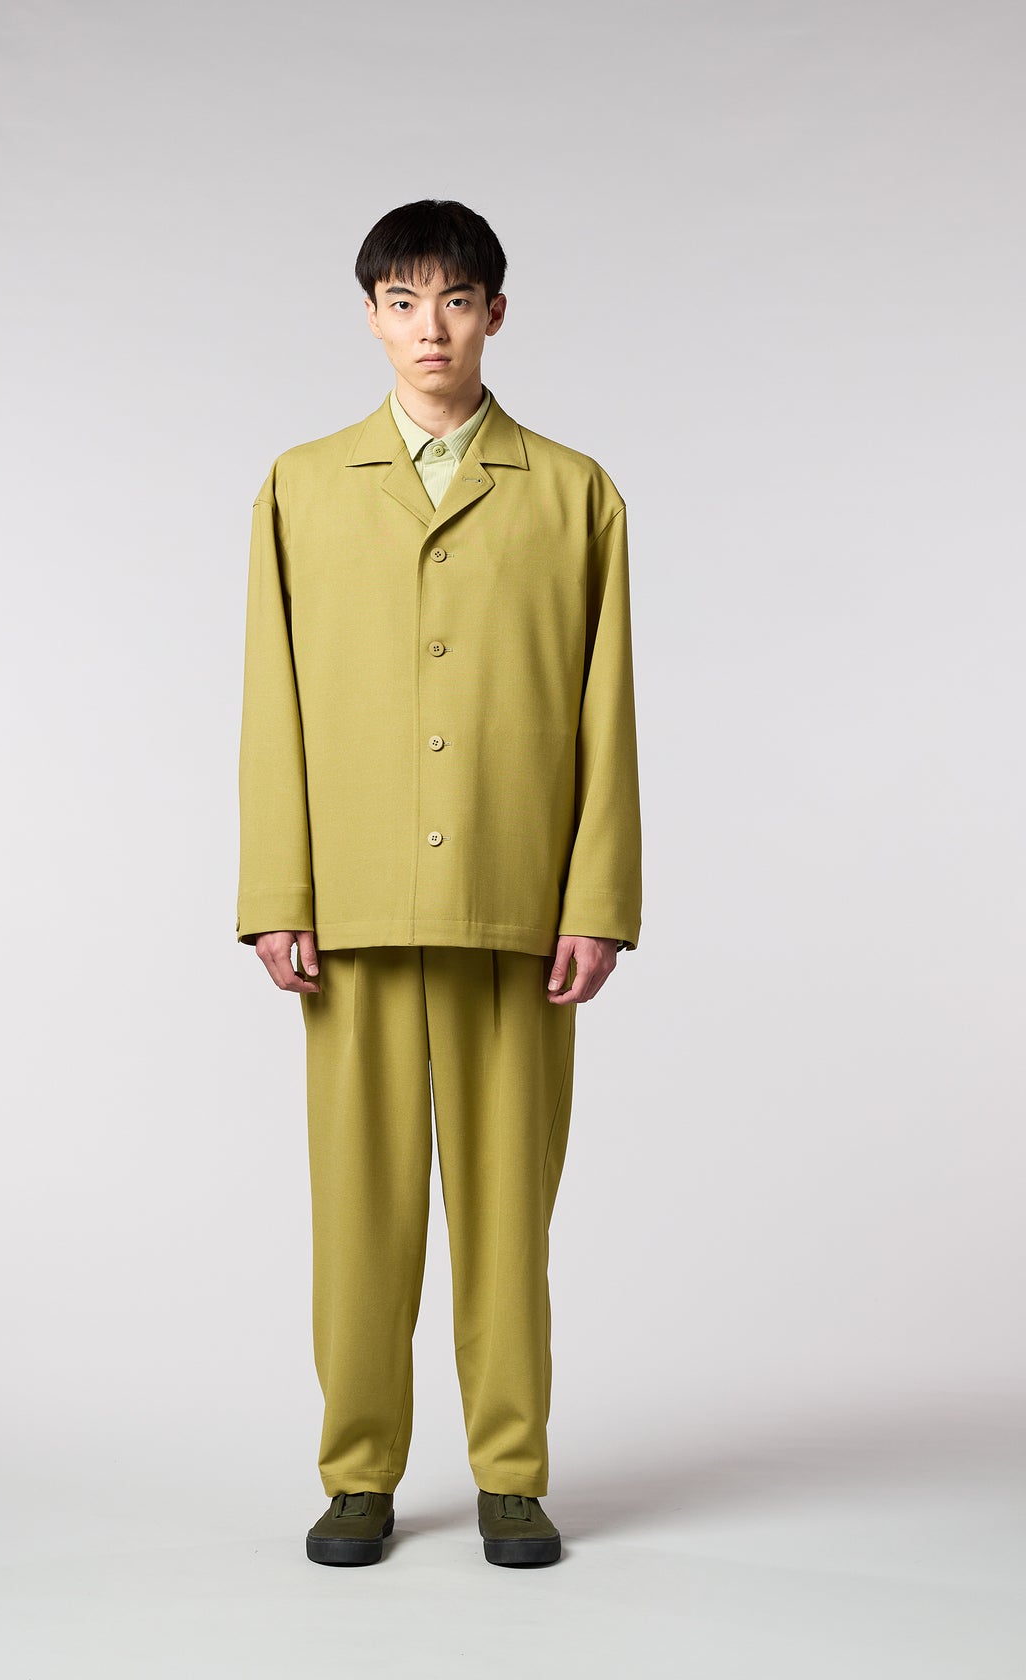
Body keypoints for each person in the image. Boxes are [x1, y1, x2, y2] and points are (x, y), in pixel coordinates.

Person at [236, 199, 642, 1567]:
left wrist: (597, 901)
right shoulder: (300, 486)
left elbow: (605, 711)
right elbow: (273, 702)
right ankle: (358, 1474)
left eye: (456, 300)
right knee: (360, 1213)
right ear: (370, 317)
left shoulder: (576, 493)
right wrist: (276, 890)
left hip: (516, 906)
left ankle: (510, 1473)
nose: (431, 328)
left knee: (508, 1211)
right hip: (350, 907)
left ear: (495, 315)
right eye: (404, 301)